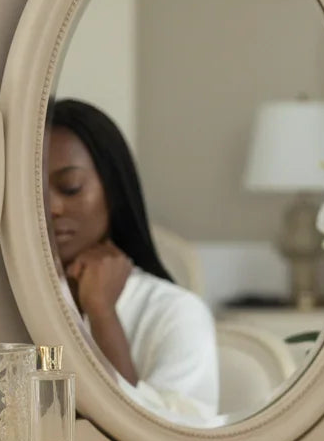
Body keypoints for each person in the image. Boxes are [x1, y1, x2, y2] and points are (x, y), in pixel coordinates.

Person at [46, 98, 219, 421]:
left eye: (70, 188)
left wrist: (102, 313)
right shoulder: (7, 305)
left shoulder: (177, 312)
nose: (52, 207)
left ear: (114, 191)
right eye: (36, 189)